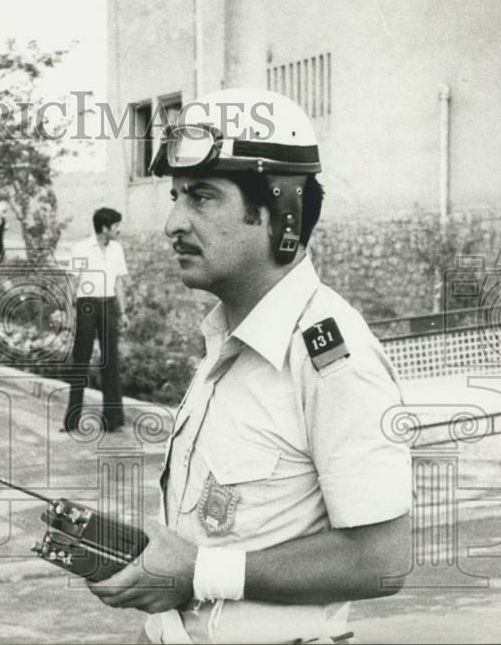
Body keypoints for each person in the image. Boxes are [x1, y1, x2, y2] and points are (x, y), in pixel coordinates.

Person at [85, 89, 411, 644]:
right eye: (176, 196)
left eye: (203, 197)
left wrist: (197, 572)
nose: (172, 223)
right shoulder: (227, 339)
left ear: (281, 213)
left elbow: (381, 560)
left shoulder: (331, 357)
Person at [62, 207, 129, 434]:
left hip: (109, 304)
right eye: (116, 226)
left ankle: (113, 419)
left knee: (111, 362)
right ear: (104, 227)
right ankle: (72, 420)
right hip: (87, 305)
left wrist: (123, 311)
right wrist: (67, 311)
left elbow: (118, 282)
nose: (119, 229)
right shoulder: (81, 248)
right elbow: (72, 281)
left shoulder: (117, 249)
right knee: (81, 360)